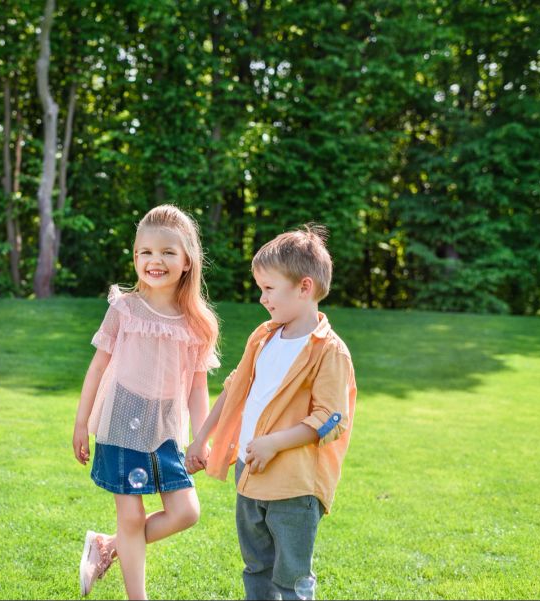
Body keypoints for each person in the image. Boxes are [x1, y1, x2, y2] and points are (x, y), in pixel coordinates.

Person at [187, 225, 357, 600]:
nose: (262, 298)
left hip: (294, 486)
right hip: (247, 476)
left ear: (304, 287)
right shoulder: (263, 336)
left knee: (291, 579)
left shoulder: (329, 351)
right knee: (257, 570)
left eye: (269, 288)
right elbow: (234, 390)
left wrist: (273, 444)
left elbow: (331, 419)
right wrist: (202, 438)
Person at [73, 205, 220, 599]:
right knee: (132, 515)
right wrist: (80, 423)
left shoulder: (198, 323)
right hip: (121, 421)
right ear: (135, 257)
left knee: (186, 512)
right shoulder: (125, 308)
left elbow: (197, 387)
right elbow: (97, 368)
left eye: (168, 253)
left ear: (187, 260)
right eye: (146, 252)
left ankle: (108, 546)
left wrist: (201, 439)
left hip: (165, 429)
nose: (156, 261)